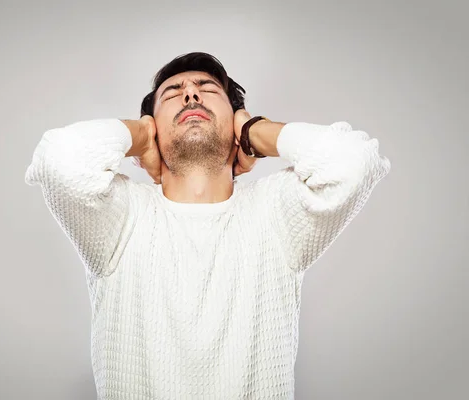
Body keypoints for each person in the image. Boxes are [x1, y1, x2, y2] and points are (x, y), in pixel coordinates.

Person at [24, 52, 391, 399]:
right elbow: (58, 159)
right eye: (172, 93)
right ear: (153, 130)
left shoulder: (274, 211)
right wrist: (139, 136)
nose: (191, 94)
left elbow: (356, 160)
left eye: (207, 89)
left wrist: (253, 132)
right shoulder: (120, 216)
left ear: (234, 124)